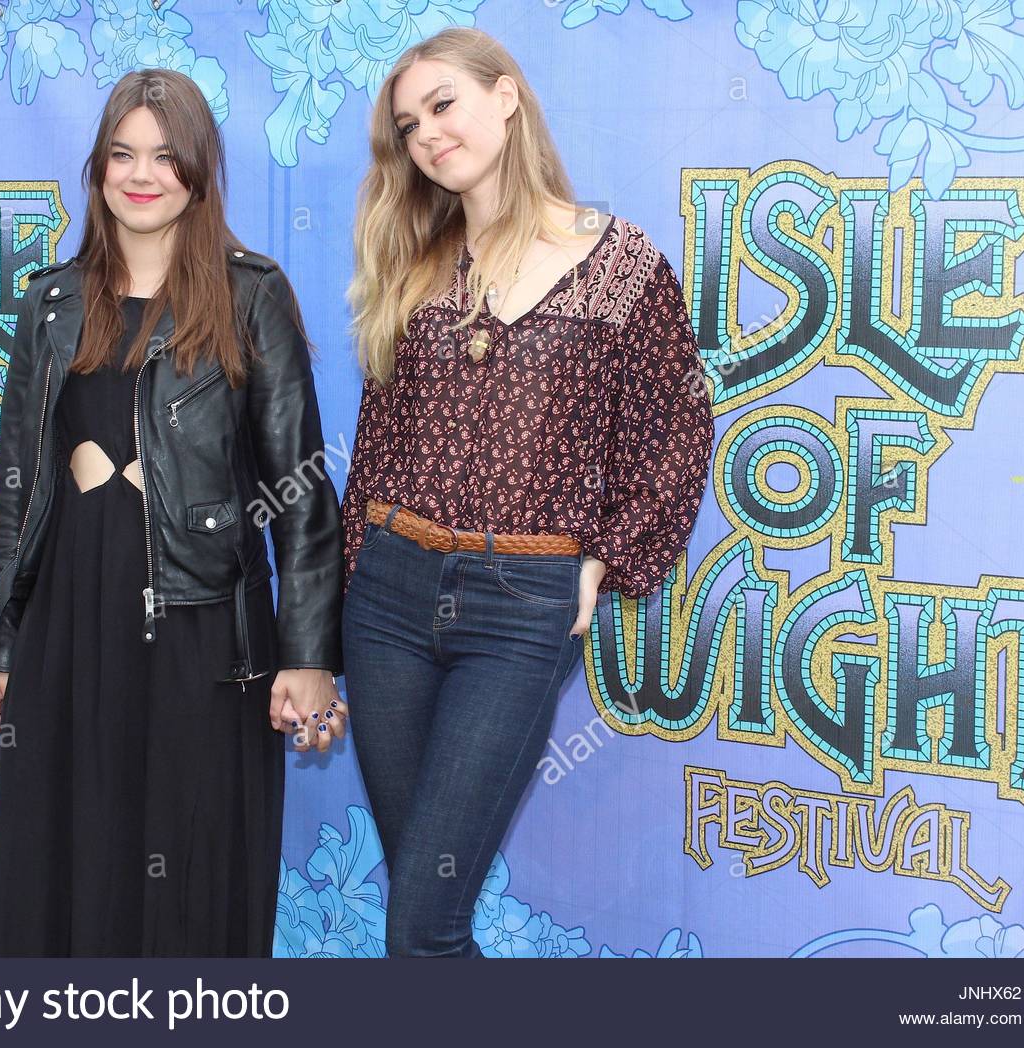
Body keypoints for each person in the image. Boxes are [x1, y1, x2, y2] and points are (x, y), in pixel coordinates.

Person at [0, 68, 346, 957]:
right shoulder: (51, 301)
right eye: (122, 155)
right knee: (61, 836)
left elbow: (303, 493)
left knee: (191, 845)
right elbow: (16, 487)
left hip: (200, 621)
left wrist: (310, 656)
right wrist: (6, 642)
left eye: (166, 157)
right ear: (95, 170)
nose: (141, 175)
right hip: (69, 616)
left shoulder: (252, 296)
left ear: (200, 171)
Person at [339, 27, 715, 957]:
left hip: (520, 607)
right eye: (408, 124)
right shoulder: (417, 260)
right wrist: (354, 565)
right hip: (387, 598)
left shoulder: (621, 261)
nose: (427, 134)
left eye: (443, 105)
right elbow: (378, 444)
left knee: (424, 925)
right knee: (420, 913)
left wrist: (606, 561)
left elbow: (678, 422)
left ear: (506, 96)